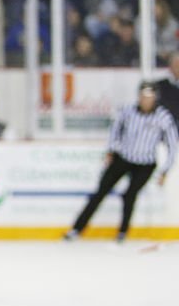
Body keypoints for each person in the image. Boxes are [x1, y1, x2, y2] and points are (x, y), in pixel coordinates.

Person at [65, 81, 177, 243]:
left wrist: (165, 170)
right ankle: (76, 229)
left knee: (130, 195)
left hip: (145, 164)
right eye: (143, 97)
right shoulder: (127, 111)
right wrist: (111, 150)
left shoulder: (163, 117)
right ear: (139, 97)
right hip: (123, 158)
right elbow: (114, 131)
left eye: (149, 97)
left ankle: (122, 232)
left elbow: (172, 146)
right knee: (100, 193)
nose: (146, 100)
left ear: (155, 98)